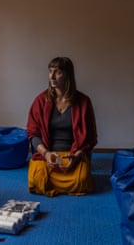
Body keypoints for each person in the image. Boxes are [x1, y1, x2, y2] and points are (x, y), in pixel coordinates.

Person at [26, 56, 97, 197]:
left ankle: (67, 175)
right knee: (36, 179)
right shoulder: (40, 101)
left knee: (82, 180)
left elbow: (90, 137)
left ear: (67, 75)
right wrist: (46, 154)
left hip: (72, 154)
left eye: (57, 72)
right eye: (50, 71)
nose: (52, 76)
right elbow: (33, 134)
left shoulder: (83, 102)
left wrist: (76, 156)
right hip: (48, 154)